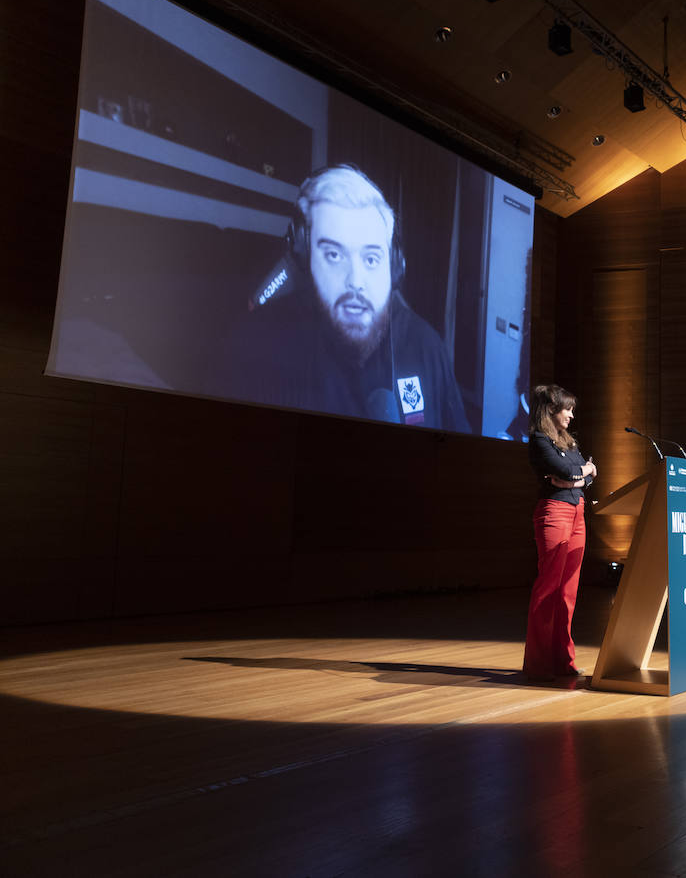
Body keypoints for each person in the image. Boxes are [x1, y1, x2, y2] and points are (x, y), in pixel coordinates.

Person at [220, 164, 471, 433]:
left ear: (394, 267)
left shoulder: (427, 347)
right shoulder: (254, 347)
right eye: (334, 255)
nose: (355, 281)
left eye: (371, 258)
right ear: (306, 259)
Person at [523, 384, 596, 680]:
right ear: (551, 410)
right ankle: (539, 664)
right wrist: (582, 473)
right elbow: (569, 471)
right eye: (567, 409)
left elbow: (582, 474)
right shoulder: (539, 440)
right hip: (554, 513)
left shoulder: (569, 442)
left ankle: (564, 661)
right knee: (549, 588)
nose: (571, 416)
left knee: (568, 592)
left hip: (578, 513)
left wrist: (580, 477)